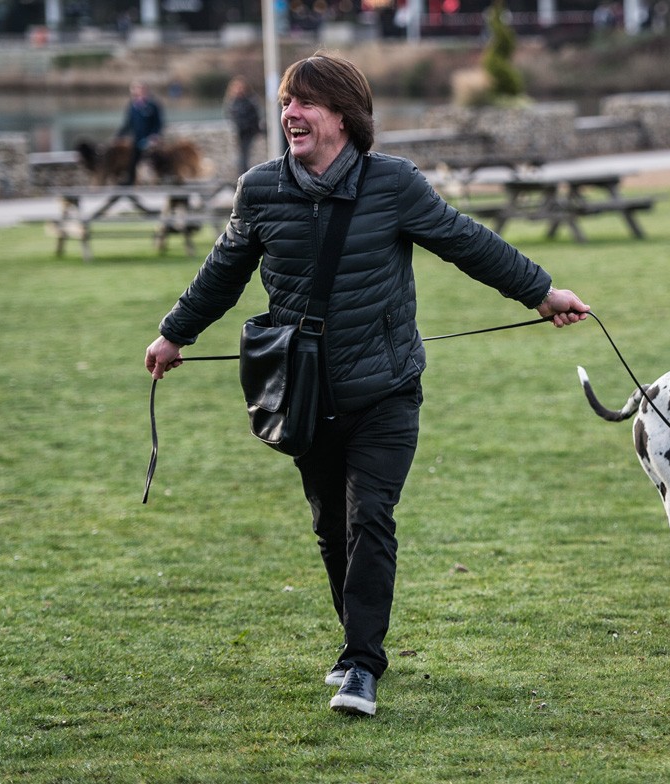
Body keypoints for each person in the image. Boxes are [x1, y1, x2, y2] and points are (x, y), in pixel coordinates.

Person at [143, 53, 589, 717]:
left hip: (386, 389)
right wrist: (173, 333)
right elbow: (222, 271)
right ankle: (356, 641)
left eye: (305, 103)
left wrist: (541, 293)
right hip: (304, 394)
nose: (291, 114)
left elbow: (467, 242)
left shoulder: (394, 184)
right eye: (286, 103)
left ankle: (361, 666)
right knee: (331, 528)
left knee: (369, 518)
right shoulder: (260, 189)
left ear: (344, 116)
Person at [115, 80, 164, 185]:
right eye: (134, 90)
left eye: (138, 89)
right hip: (137, 139)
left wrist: (154, 136)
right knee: (131, 158)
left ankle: (159, 180)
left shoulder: (153, 105)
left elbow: (158, 123)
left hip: (150, 139)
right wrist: (119, 136)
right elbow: (128, 124)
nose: (135, 92)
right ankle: (130, 181)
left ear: (144, 90)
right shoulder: (132, 106)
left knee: (154, 158)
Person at [223, 77, 264, 178]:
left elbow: (255, 115)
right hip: (239, 131)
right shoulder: (232, 102)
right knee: (241, 154)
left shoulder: (250, 100)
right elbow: (230, 115)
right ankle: (242, 173)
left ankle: (245, 173)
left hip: (249, 131)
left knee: (245, 153)